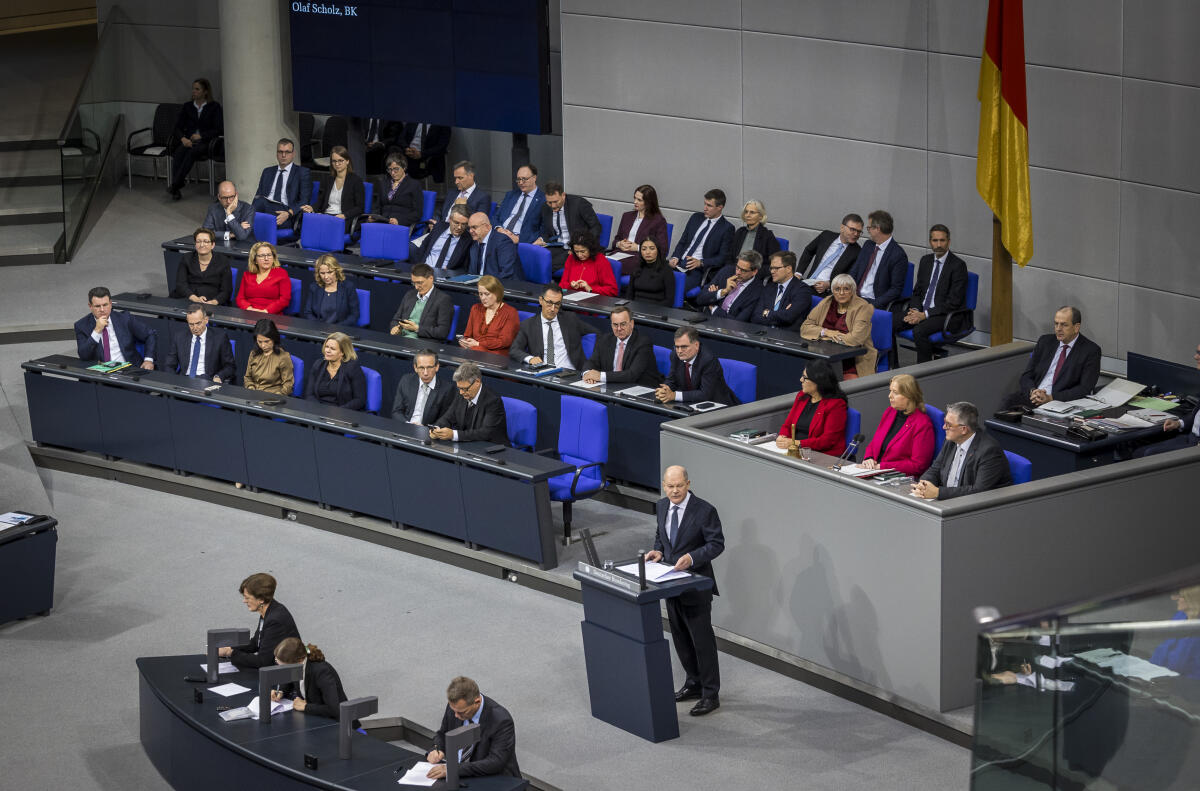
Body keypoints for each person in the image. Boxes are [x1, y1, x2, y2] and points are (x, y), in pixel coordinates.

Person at [644, 465, 725, 716]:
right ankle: (693, 683)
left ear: (688, 484)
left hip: (696, 586)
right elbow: (662, 536)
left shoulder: (705, 511)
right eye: (670, 486)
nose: (675, 490)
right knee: (680, 638)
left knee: (702, 642)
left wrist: (692, 558)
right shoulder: (660, 506)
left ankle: (711, 694)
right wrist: (658, 551)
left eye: (679, 485)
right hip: (670, 584)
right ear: (664, 485)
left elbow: (716, 544)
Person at [1001, 306, 1102, 409]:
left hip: (1060, 402)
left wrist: (1051, 398)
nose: (1058, 329)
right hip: (1033, 397)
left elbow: (1084, 388)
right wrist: (1033, 391)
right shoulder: (1045, 342)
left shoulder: (1091, 351)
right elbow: (1027, 375)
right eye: (1056, 323)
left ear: (1076, 327)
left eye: (1064, 325)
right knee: (1008, 403)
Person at [896, 225, 969, 363]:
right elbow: (917, 292)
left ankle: (924, 372)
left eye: (942, 240)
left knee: (919, 331)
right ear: (930, 242)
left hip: (944, 314)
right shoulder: (926, 261)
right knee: (890, 322)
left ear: (949, 241)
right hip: (921, 310)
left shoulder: (958, 265)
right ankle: (892, 366)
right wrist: (916, 310)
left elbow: (954, 302)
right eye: (935, 240)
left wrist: (925, 315)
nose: (939, 244)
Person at [425, 676, 520, 780]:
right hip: (461, 775)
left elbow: (496, 762)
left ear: (477, 702)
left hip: (494, 778)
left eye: (461, 712)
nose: (456, 715)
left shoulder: (501, 719)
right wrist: (437, 749)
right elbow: (443, 734)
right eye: (454, 710)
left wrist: (453, 769)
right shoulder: (456, 707)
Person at [913, 401, 1012, 500]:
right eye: (945, 422)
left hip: (976, 507)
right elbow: (935, 468)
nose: (944, 427)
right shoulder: (951, 441)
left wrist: (938, 493)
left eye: (949, 425)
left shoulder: (989, 451)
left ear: (964, 429)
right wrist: (924, 485)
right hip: (949, 500)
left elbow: (979, 491)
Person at [799, 274, 877, 378]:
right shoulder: (826, 302)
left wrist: (825, 337)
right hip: (823, 354)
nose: (841, 293)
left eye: (846, 289)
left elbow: (855, 339)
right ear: (832, 291)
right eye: (837, 289)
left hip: (852, 358)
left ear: (853, 291)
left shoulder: (863, 307)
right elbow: (805, 327)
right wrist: (826, 332)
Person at [218, 573, 302, 670]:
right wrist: (230, 648)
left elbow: (263, 661)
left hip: (287, 677)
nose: (244, 601)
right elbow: (256, 643)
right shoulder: (269, 611)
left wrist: (230, 653)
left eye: (247, 597)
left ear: (261, 599)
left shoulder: (275, 619)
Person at [860, 374, 937, 477]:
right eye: (890, 391)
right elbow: (874, 443)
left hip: (898, 478)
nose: (890, 396)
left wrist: (882, 466)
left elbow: (918, 465)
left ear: (909, 396)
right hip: (875, 472)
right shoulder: (890, 412)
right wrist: (868, 458)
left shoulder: (922, 424)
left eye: (895, 392)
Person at [1134, 343, 1200, 457]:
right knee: (1138, 453)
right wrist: (1178, 423)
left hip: (1196, 447)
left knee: (1149, 455)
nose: (1195, 357)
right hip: (1190, 437)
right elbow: (1197, 417)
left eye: (1199, 353)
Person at [774, 359, 848, 456]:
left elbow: (827, 441)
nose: (801, 380)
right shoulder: (801, 396)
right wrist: (782, 437)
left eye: (805, 377)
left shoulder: (836, 405)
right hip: (796, 450)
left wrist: (795, 443)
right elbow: (787, 425)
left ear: (818, 381)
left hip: (822, 455)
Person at [166, 78, 223, 200]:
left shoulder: (214, 107)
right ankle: (176, 187)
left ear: (205, 92)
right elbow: (177, 127)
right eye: (193, 89)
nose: (194, 91)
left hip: (207, 142)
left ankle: (175, 185)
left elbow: (219, 129)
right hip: (189, 141)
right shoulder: (187, 107)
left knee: (192, 152)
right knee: (179, 152)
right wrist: (183, 139)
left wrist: (201, 135)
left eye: (197, 89)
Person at [510, 283, 589, 370]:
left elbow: (596, 334)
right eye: (549, 303)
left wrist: (589, 371)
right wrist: (530, 359)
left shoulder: (570, 319)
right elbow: (514, 350)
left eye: (557, 304)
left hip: (569, 373)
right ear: (541, 300)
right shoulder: (528, 325)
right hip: (543, 372)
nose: (552, 309)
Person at [74, 286, 157, 369]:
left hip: (129, 370)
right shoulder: (81, 325)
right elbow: (84, 355)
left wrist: (148, 360)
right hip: (101, 373)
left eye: (105, 305)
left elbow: (150, 334)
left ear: (110, 304)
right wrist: (97, 331)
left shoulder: (125, 319)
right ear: (90, 306)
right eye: (97, 306)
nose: (102, 309)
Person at [670, 188, 735, 291]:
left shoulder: (727, 228)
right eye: (705, 204)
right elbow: (683, 241)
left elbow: (722, 258)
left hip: (696, 270)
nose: (705, 208)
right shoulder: (696, 218)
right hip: (678, 264)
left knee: (673, 288)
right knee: (653, 279)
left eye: (709, 205)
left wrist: (701, 263)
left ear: (720, 207)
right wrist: (675, 257)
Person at [582, 306, 662, 388]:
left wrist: (599, 376)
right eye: (615, 325)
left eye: (623, 324)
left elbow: (632, 375)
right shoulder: (604, 339)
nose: (619, 328)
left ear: (632, 324)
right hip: (612, 387)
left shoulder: (643, 343)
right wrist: (588, 374)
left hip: (640, 388)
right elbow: (591, 362)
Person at [270, 638, 350, 719]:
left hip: (338, 723)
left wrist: (305, 706)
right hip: (315, 719)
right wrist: (281, 692)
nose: (281, 669)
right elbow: (290, 682)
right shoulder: (297, 666)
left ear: (299, 661)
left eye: (284, 666)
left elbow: (334, 710)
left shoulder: (321, 671)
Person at [429, 363, 508, 444]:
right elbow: (448, 417)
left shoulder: (493, 401)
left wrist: (454, 435)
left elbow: (486, 433)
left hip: (491, 448)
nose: (461, 392)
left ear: (477, 382)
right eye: (459, 388)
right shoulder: (462, 394)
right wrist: (437, 429)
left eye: (465, 389)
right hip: (467, 444)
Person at [656, 326, 737, 405]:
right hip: (691, 402)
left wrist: (674, 395)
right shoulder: (675, 356)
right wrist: (664, 391)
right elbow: (672, 379)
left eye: (684, 347)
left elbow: (705, 394)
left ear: (696, 345)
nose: (679, 351)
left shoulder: (708, 360)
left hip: (718, 405)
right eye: (677, 347)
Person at [533, 181, 602, 270]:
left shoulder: (579, 204)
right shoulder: (545, 207)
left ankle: (548, 283)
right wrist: (541, 239)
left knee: (546, 265)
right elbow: (548, 231)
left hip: (577, 248)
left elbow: (596, 227)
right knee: (534, 258)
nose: (553, 206)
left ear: (563, 195)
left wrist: (582, 245)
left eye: (555, 201)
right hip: (558, 246)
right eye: (549, 202)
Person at [849, 210, 907, 309]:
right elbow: (855, 270)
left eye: (869, 228)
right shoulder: (868, 245)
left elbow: (895, 290)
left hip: (873, 302)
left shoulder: (898, 255)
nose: (868, 231)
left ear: (877, 229)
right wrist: (846, 290)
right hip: (854, 297)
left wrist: (872, 305)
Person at [301, 145, 365, 235]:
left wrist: (344, 215)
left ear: (347, 161)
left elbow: (360, 208)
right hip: (327, 216)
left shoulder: (356, 181)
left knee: (323, 228)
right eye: (334, 161)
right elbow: (321, 201)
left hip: (343, 218)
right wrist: (312, 208)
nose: (337, 164)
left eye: (340, 161)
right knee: (309, 221)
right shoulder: (328, 179)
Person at [163, 304, 235, 382]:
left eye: (198, 323)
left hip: (207, 380)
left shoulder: (220, 338)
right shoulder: (179, 337)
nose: (195, 328)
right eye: (191, 324)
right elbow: (169, 365)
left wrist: (219, 376)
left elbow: (230, 366)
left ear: (206, 320)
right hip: (184, 380)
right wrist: (174, 381)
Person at [252, 138, 313, 230]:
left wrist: (289, 213)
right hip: (266, 210)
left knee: (258, 206)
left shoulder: (302, 172)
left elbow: (304, 201)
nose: (283, 155)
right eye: (280, 152)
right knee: (253, 203)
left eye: (287, 152)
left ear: (293, 154)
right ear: (276, 153)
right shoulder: (267, 172)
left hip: (287, 213)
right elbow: (258, 196)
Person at [795, 214, 864, 293]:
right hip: (807, 283)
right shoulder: (826, 236)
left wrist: (829, 284)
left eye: (859, 231)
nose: (856, 234)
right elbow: (808, 251)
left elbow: (849, 277)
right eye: (852, 229)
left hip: (827, 292)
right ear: (842, 227)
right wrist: (798, 273)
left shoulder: (857, 252)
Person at [389, 263, 454, 340]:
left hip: (424, 343)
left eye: (419, 283)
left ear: (431, 278)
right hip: (402, 338)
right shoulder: (410, 294)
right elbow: (396, 319)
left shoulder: (443, 300)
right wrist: (395, 328)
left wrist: (417, 328)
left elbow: (442, 332)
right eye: (414, 283)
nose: (416, 287)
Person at [304, 332, 367, 410]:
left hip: (342, 412)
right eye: (327, 347)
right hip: (318, 411)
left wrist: (338, 412)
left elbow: (359, 400)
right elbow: (309, 394)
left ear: (342, 352)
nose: (328, 351)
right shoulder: (318, 365)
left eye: (332, 349)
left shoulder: (352, 368)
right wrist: (318, 410)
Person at [694, 250, 764, 322]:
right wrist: (723, 292)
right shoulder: (726, 271)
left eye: (743, 270)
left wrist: (714, 308)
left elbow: (739, 322)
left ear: (754, 272)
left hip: (729, 329)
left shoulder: (758, 291)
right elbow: (700, 299)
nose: (738, 272)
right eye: (737, 267)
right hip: (706, 320)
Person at [171, 227, 233, 305]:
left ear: (213, 245)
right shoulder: (186, 258)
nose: (202, 245)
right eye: (198, 241)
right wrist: (194, 298)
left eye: (206, 241)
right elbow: (181, 284)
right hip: (188, 298)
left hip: (212, 301)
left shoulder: (223, 261)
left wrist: (214, 302)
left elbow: (226, 290)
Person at [391, 350, 455, 425]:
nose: (425, 373)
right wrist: (408, 424)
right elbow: (396, 411)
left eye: (429, 367)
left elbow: (445, 420)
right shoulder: (406, 380)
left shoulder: (447, 389)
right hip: (405, 426)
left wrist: (426, 429)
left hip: (429, 432)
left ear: (437, 367)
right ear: (415, 368)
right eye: (421, 368)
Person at [460, 275, 520, 356]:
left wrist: (478, 344)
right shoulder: (475, 308)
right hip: (474, 351)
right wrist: (465, 342)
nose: (483, 298)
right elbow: (467, 335)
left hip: (497, 355)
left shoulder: (510, 312)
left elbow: (505, 342)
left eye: (487, 294)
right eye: (480, 294)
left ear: (497, 293)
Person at [610, 184, 669, 265]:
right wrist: (619, 244)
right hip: (619, 254)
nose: (635, 202)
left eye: (639, 200)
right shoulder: (627, 216)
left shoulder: (658, 221)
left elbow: (662, 250)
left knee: (612, 266)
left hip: (640, 259)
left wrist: (638, 247)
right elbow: (616, 239)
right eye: (635, 198)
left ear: (648, 202)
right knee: (600, 261)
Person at [1149, 586, 1200, 678]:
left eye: (1181, 596)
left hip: (1185, 683)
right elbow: (1164, 647)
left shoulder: (1197, 627)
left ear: (1192, 600)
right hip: (1164, 674)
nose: (1173, 598)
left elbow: (1181, 664)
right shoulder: (1180, 615)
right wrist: (1151, 668)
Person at [752, 250, 811, 328]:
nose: (772, 271)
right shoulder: (769, 287)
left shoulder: (803, 290)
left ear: (789, 269)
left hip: (785, 336)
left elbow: (789, 317)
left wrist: (766, 313)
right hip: (762, 333)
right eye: (771, 268)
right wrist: (781, 314)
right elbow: (755, 316)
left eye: (776, 268)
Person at [300, 255, 360, 326]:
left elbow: (354, 315)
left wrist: (337, 329)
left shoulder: (348, 287)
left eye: (329, 272)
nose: (326, 277)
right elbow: (308, 312)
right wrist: (318, 327)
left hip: (340, 331)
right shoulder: (314, 287)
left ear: (336, 271)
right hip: (318, 330)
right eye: (322, 273)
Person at [492, 164, 544, 244]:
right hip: (500, 234)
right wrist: (499, 229)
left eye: (524, 179)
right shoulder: (511, 195)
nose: (520, 183)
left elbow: (543, 229)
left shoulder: (543, 200)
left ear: (534, 178)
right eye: (518, 179)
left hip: (519, 240)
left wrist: (520, 240)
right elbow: (496, 216)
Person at [411, 205, 473, 271]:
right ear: (450, 219)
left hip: (445, 276)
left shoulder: (468, 240)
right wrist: (420, 266)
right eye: (456, 223)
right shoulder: (439, 227)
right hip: (425, 270)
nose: (459, 227)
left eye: (463, 224)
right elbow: (424, 246)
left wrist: (450, 272)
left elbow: (464, 267)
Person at [236, 242, 291, 314]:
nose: (266, 258)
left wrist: (266, 311)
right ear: (255, 260)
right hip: (249, 313)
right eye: (262, 256)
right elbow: (240, 298)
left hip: (272, 314)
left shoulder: (281, 273)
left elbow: (285, 300)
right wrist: (250, 309)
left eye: (269, 255)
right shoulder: (247, 274)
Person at [243, 319, 294, 395]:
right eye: (259, 342)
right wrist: (250, 388)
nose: (263, 345)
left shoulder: (283, 357)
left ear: (274, 339)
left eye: (267, 341)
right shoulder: (253, 353)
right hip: (253, 395)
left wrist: (276, 397)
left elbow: (288, 385)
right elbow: (247, 377)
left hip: (272, 398)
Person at [466, 212, 523, 280]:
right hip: (479, 286)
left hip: (500, 285)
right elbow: (472, 273)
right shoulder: (474, 244)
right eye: (469, 228)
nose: (470, 231)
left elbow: (507, 273)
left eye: (474, 227)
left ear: (487, 227)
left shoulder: (503, 241)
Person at [372, 153, 423, 227]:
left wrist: (399, 221)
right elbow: (377, 206)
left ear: (404, 167)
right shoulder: (383, 183)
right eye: (390, 169)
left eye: (396, 169)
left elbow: (417, 213)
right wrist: (374, 216)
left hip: (401, 224)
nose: (392, 173)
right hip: (382, 222)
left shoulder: (414, 185)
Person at [436, 160, 490, 227]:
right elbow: (440, 212)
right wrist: (435, 222)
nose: (456, 182)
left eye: (460, 178)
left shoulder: (482, 197)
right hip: (440, 229)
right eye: (455, 178)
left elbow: (478, 224)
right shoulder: (451, 193)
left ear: (471, 176)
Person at [730, 199, 781, 270]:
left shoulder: (767, 236)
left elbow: (774, 264)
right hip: (735, 270)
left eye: (752, 212)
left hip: (754, 274)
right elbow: (730, 257)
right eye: (746, 212)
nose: (748, 215)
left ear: (760, 216)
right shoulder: (740, 232)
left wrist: (752, 272)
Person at [624, 238, 673, 306]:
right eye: (644, 249)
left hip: (656, 309)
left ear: (658, 250)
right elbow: (629, 295)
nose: (647, 252)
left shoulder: (666, 270)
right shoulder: (636, 268)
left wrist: (652, 311)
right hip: (635, 308)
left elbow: (669, 300)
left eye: (652, 248)